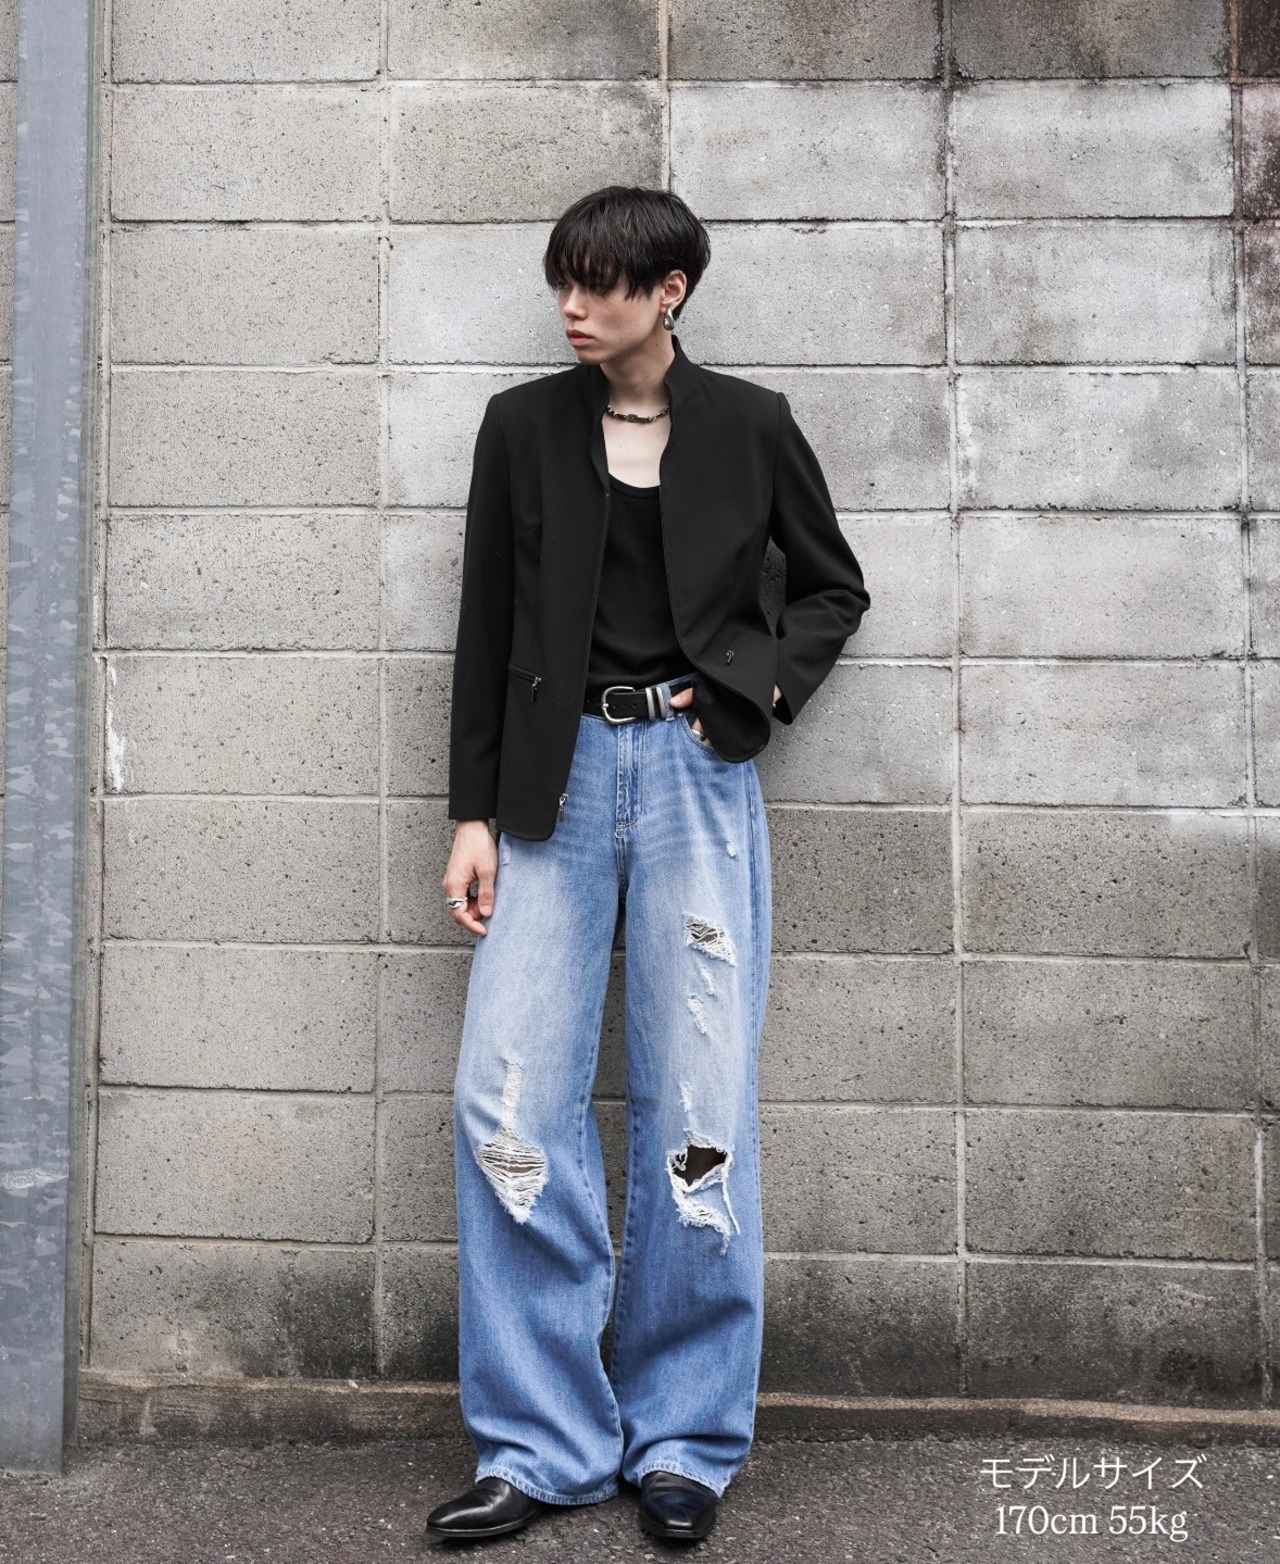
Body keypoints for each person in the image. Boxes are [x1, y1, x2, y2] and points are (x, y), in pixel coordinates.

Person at [427, 186, 869, 1545]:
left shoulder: (750, 424)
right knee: (505, 1099)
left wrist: (753, 688)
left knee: (698, 1107)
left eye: (601, 285)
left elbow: (832, 587)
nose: (573, 307)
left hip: (693, 777)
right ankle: (541, 1441)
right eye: (562, 282)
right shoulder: (521, 428)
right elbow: (487, 624)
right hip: (549, 789)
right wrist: (472, 813)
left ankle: (685, 1439)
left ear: (668, 291)